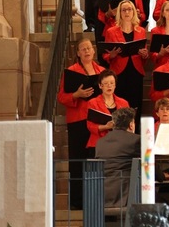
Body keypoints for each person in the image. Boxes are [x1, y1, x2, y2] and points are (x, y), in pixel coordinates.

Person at [57, 38, 106, 208]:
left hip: (97, 120)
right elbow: (61, 97)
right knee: (77, 162)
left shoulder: (102, 71)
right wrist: (77, 95)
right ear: (78, 53)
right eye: (82, 49)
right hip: (78, 121)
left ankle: (97, 201)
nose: (86, 51)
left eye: (89, 48)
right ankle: (77, 203)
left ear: (94, 51)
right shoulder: (71, 71)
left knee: (96, 161)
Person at [102, 0, 149, 117]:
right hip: (119, 72)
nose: (127, 12)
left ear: (134, 12)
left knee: (135, 105)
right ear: (119, 13)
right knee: (120, 105)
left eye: (129, 9)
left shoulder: (141, 31)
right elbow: (105, 54)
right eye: (124, 10)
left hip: (136, 71)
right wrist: (111, 55)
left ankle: (136, 133)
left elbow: (145, 56)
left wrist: (144, 54)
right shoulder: (111, 32)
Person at [95, 107, 140, 208]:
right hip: (127, 194)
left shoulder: (100, 142)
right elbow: (148, 164)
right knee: (165, 203)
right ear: (131, 125)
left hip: (103, 195)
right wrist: (162, 176)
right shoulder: (136, 140)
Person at [86, 70, 130, 149]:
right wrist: (106, 127)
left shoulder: (124, 103)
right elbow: (90, 126)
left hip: (119, 144)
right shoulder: (93, 103)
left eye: (112, 83)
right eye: (106, 83)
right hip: (99, 144)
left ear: (115, 85)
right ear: (100, 86)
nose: (109, 86)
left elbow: (129, 124)